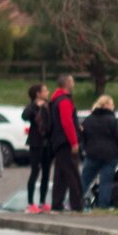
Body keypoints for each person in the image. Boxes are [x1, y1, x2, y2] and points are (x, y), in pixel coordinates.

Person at [81, 94, 118, 209]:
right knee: (106, 182)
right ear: (106, 105)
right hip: (110, 156)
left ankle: (75, 202)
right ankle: (103, 206)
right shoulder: (112, 120)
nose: (113, 107)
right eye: (112, 104)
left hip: (92, 154)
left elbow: (83, 137)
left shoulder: (89, 119)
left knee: (84, 180)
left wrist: (85, 149)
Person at [49, 74, 84, 212]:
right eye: (72, 81)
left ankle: (57, 204)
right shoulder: (64, 100)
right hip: (66, 142)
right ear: (67, 83)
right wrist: (74, 142)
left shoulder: (55, 99)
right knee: (73, 174)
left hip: (57, 142)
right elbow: (67, 122)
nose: (74, 84)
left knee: (61, 175)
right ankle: (77, 205)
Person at [22, 83, 52, 213]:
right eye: (45, 91)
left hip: (47, 143)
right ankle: (30, 203)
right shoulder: (32, 107)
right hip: (36, 143)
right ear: (38, 93)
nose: (47, 92)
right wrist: (35, 105)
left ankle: (42, 202)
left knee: (46, 172)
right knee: (35, 172)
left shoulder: (48, 105)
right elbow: (24, 116)